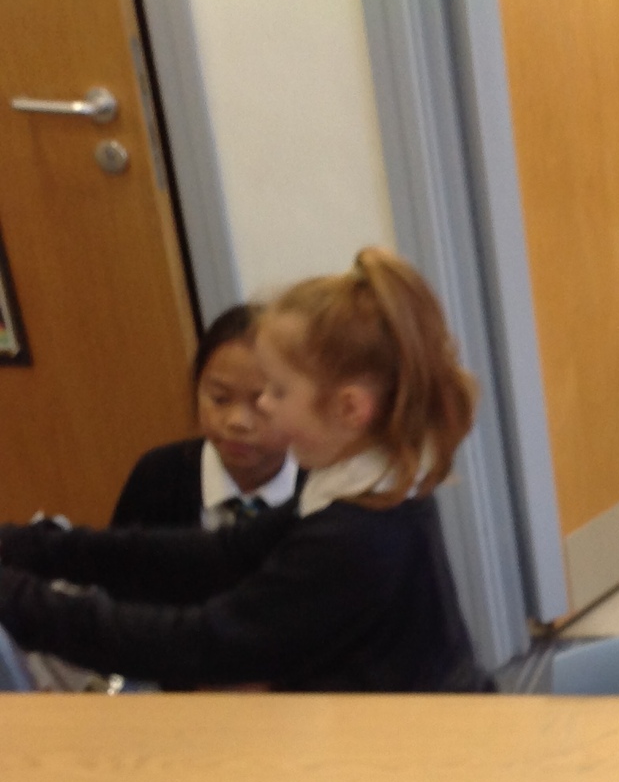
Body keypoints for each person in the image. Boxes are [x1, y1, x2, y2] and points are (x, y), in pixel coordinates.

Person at [0, 249, 488, 692]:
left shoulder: (357, 535)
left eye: (277, 391)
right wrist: (31, 547)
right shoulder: (362, 483)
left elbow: (203, 643)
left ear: (349, 409)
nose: (264, 408)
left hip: (415, 747)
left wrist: (19, 600)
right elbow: (223, 554)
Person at [109, 303, 301, 531]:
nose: (237, 421)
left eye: (261, 403)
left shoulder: (325, 490)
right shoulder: (158, 475)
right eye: (220, 399)